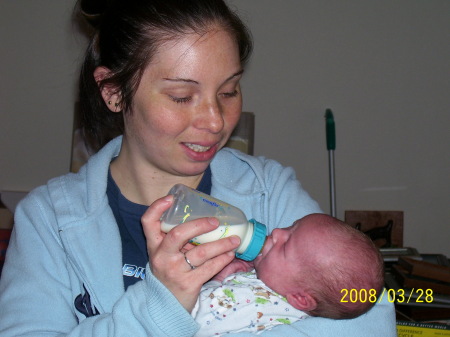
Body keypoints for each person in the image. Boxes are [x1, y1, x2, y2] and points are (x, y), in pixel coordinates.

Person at [0, 0, 396, 336]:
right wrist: (160, 305)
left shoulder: (269, 191)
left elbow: (367, 314)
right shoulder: (48, 220)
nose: (216, 121)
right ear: (114, 93)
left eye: (229, 91)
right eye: (181, 96)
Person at [192, 214, 385, 336]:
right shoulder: (280, 285)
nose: (277, 232)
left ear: (300, 298)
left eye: (285, 246)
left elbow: (197, 320)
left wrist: (217, 279)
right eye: (291, 227)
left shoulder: (254, 302)